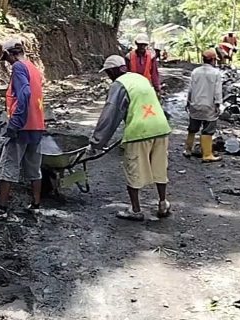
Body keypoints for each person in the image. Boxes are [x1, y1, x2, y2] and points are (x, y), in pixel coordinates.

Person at [88, 55, 172, 221]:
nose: (108, 77)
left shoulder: (118, 85)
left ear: (113, 71)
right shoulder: (140, 79)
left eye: (108, 73)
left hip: (139, 132)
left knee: (133, 169)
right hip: (160, 127)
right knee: (160, 168)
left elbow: (110, 115)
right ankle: (163, 203)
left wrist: (96, 143)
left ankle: (135, 210)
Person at [0, 39, 46, 219]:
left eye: (7, 58)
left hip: (22, 126)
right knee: (34, 167)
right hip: (37, 125)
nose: (8, 63)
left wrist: (15, 124)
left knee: (8, 165)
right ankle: (35, 204)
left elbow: (25, 93)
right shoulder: (32, 67)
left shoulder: (18, 67)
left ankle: (0, 209)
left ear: (11, 54)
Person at [184, 49, 223, 162]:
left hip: (195, 104)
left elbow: (191, 89)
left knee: (192, 128)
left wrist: (188, 102)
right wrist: (218, 104)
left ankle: (188, 150)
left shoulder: (195, 71)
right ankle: (207, 154)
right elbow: (217, 91)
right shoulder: (216, 73)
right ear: (213, 60)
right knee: (208, 130)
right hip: (209, 106)